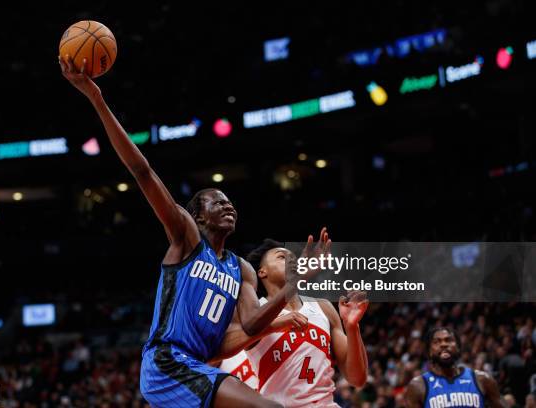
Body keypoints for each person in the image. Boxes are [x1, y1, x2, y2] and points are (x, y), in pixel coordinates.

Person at [59, 55, 330, 408]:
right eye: (216, 203)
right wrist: (97, 99)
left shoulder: (241, 269)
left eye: (230, 202)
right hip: (166, 362)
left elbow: (250, 326)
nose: (227, 206)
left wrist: (295, 284)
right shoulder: (187, 238)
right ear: (197, 217)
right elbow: (143, 172)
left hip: (196, 368)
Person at [217, 239, 369, 407]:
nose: (291, 260)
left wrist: (352, 327)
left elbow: (357, 379)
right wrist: (275, 325)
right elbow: (221, 350)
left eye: (294, 258)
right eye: (282, 257)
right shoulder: (254, 312)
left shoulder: (323, 307)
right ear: (262, 272)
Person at [404, 327, 507, 408]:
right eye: (437, 342)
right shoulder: (417, 386)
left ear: (458, 348)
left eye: (448, 340)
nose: (443, 344)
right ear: (429, 352)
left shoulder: (482, 379)